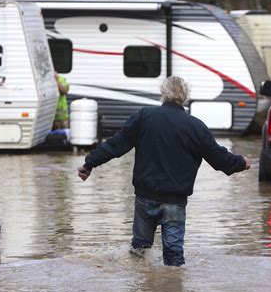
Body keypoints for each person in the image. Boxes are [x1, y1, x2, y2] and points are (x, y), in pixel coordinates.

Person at [77, 76, 251, 266]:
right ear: (185, 97)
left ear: (163, 93)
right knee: (174, 260)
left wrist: (89, 163)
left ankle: (142, 291)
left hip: (144, 198)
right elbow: (220, 159)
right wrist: (241, 162)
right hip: (174, 203)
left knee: (139, 254)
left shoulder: (144, 116)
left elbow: (116, 145)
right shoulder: (195, 126)